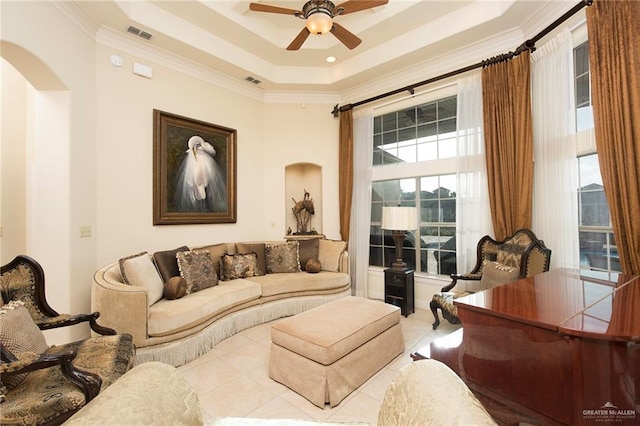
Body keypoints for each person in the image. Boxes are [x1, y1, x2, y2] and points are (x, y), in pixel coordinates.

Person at [173, 135, 226, 213]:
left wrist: (203, 146)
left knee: (206, 183)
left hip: (204, 170)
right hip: (198, 172)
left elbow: (212, 152)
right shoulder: (194, 154)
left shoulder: (205, 147)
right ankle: (201, 202)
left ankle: (206, 203)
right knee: (198, 182)